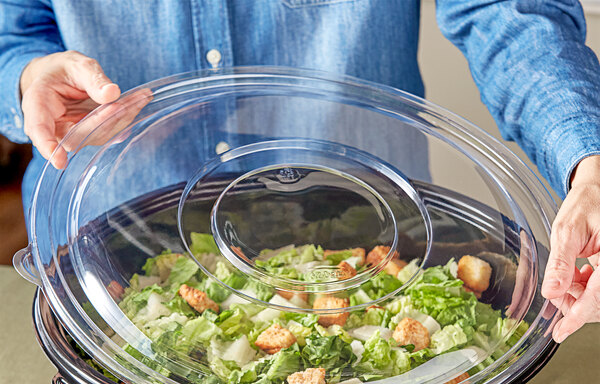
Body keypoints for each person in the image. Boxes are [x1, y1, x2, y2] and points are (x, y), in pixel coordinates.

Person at [0, 1, 598, 343]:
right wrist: (26, 76)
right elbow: (11, 27)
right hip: (105, 251)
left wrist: (588, 156)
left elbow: (510, 12)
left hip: (369, 226)